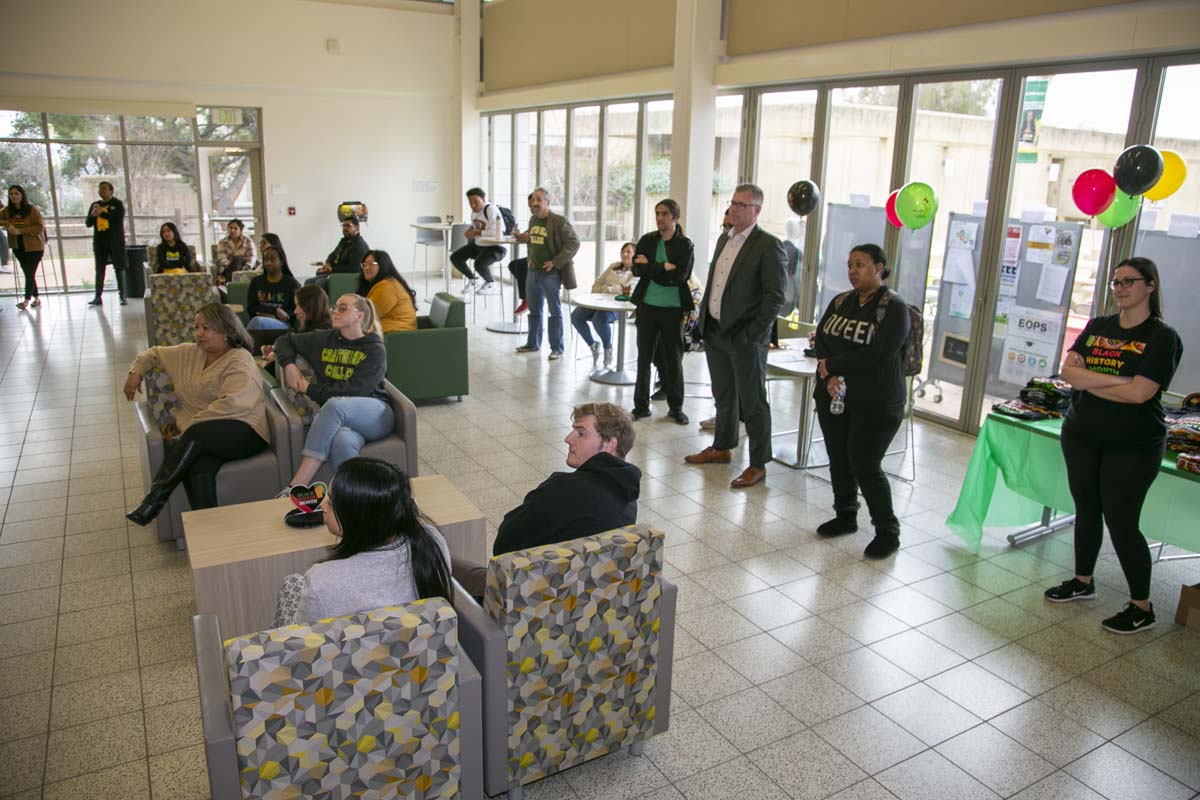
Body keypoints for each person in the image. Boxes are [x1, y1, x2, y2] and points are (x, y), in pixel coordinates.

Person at [1044, 257, 1182, 634]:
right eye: (1115, 282)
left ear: (1150, 285)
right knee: (1086, 509)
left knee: (1121, 522)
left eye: (1128, 282)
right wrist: (1116, 381)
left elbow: (1141, 394)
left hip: (1133, 445)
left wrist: (1091, 380)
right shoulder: (1099, 325)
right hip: (1082, 434)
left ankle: (1142, 606)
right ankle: (1083, 581)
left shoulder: (1162, 336)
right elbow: (1069, 373)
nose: (1120, 288)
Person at [450, 403, 641, 598]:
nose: (568, 439)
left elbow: (504, 543)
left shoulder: (566, 490)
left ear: (610, 443)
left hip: (524, 599)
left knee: (437, 564)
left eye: (581, 433)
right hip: (581, 602)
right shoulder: (628, 498)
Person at [124, 304, 269, 525]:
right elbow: (154, 353)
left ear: (227, 331)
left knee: (195, 434)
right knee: (198, 467)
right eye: (197, 327)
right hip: (204, 435)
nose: (199, 333)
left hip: (245, 429)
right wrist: (135, 372)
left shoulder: (240, 359)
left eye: (206, 328)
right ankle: (209, 532)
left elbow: (235, 403)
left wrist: (191, 425)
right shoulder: (189, 353)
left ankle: (154, 500)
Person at [812, 244, 912, 559]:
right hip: (836, 395)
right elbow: (822, 340)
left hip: (877, 401)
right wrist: (828, 377)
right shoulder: (841, 301)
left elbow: (879, 354)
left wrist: (834, 367)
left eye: (861, 265)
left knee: (865, 464)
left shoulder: (894, 307)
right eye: (850, 265)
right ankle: (845, 515)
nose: (854, 271)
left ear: (880, 268)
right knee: (839, 458)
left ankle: (888, 531)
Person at [685, 184, 787, 489]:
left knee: (753, 401)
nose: (734, 209)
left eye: (742, 205)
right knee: (724, 395)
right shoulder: (724, 239)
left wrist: (753, 334)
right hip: (716, 331)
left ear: (757, 210)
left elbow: (776, 297)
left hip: (745, 337)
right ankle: (722, 447)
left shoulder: (768, 245)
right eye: (733, 203)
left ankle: (758, 464)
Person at [275, 457, 452, 626]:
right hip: (419, 651)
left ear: (357, 516)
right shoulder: (432, 541)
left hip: (351, 656)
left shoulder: (322, 581)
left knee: (291, 584)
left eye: (331, 501)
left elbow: (303, 642)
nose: (323, 506)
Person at [273, 294, 391, 486]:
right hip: (339, 417)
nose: (335, 311)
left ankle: (296, 486)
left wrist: (310, 388)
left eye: (343, 308)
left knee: (334, 405)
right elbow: (284, 340)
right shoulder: (323, 339)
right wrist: (289, 366)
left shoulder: (374, 349)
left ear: (359, 316)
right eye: (335, 307)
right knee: (341, 442)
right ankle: (353, 496)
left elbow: (354, 393)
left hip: (376, 413)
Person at [632, 200, 695, 425]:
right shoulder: (648, 240)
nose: (660, 218)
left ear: (675, 217)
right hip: (647, 306)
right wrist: (663, 267)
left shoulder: (685, 244)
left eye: (665, 214)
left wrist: (651, 267)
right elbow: (636, 268)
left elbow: (680, 277)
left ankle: (676, 407)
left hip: (672, 309)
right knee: (644, 358)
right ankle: (640, 406)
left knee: (673, 359)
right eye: (657, 213)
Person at [514, 188, 578, 360]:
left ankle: (557, 348)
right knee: (534, 311)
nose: (535, 203)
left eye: (539, 200)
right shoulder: (533, 219)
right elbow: (532, 241)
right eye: (533, 200)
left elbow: (574, 242)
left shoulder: (558, 221)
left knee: (554, 312)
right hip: (533, 272)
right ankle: (533, 343)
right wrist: (529, 257)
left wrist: (556, 262)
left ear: (547, 202)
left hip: (550, 274)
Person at [572, 242, 636, 369]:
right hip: (599, 301)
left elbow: (629, 290)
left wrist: (608, 289)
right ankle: (593, 345)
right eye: (623, 251)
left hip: (621, 306)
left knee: (599, 319)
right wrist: (601, 291)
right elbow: (599, 281)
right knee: (576, 315)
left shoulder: (637, 271)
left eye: (628, 252)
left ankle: (607, 348)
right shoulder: (614, 266)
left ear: (635, 254)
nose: (624, 254)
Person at [451, 187, 505, 295]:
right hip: (479, 246)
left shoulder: (490, 209)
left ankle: (491, 283)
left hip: (495, 247)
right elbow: (474, 227)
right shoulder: (474, 213)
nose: (473, 205)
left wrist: (476, 233)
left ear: (483, 199)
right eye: (470, 202)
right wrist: (469, 231)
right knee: (455, 257)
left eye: (476, 202)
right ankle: (473, 279)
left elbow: (498, 231)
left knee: (479, 264)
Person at [0, 185, 46, 310]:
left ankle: (26, 300)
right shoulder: (7, 210)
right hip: (18, 247)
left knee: (30, 272)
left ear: (22, 195)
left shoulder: (32, 209)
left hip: (34, 247)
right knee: (28, 273)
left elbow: (39, 227)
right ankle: (37, 298)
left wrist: (21, 231)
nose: (14, 196)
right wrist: (7, 223)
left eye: (16, 193)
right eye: (11, 194)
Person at [86, 181, 127, 306]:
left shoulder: (117, 204)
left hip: (115, 242)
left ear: (111, 191)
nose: (101, 191)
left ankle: (122, 296)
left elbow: (117, 219)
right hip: (100, 242)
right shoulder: (95, 205)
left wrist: (102, 213)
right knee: (99, 269)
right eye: (100, 189)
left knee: (119, 268)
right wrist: (93, 215)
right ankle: (98, 297)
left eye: (104, 189)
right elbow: (88, 223)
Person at [358, 250, 417, 333]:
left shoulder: (387, 286)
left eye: (371, 264)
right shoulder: (383, 283)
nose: (366, 268)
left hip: (396, 335)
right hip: (386, 331)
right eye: (364, 264)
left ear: (383, 266)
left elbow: (369, 315)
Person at [245, 240, 300, 330]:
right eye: (265, 260)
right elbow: (251, 308)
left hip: (283, 324)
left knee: (257, 322)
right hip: (260, 319)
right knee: (258, 321)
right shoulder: (256, 282)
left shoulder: (291, 283)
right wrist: (274, 311)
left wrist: (283, 315)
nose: (268, 263)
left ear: (281, 262)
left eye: (272, 260)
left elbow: (296, 309)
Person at [305, 215, 369, 289]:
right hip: (335, 274)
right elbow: (332, 255)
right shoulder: (344, 242)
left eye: (348, 225)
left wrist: (333, 269)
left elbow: (355, 268)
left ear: (357, 228)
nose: (345, 228)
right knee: (308, 282)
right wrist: (328, 264)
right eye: (343, 226)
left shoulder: (359, 245)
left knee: (319, 283)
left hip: (345, 277)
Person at [506, 191, 537, 316]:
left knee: (519, 266)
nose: (531, 209)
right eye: (529, 206)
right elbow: (529, 233)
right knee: (513, 265)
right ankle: (530, 292)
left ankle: (528, 298)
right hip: (533, 257)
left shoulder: (550, 220)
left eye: (533, 206)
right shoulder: (534, 219)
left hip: (545, 260)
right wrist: (521, 235)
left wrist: (528, 237)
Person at [215, 218, 255, 286]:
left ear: (241, 230)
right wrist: (233, 266)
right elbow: (222, 258)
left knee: (238, 260)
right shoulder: (222, 242)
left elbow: (252, 256)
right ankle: (236, 285)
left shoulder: (247, 241)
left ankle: (232, 286)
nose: (232, 230)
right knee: (237, 260)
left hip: (244, 268)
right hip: (227, 269)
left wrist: (245, 267)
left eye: (235, 228)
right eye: (230, 228)